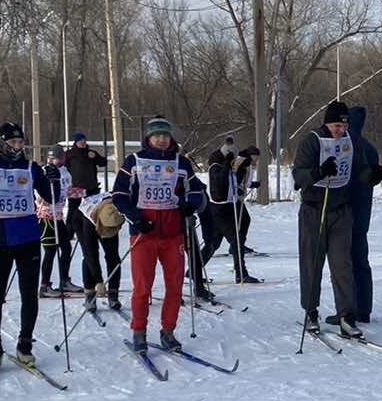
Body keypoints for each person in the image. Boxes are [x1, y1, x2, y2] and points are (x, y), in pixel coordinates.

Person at [111, 116, 204, 354]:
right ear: (148, 138)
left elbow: (195, 191)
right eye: (157, 135)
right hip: (145, 235)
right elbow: (119, 195)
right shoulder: (135, 161)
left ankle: (168, 331)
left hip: (173, 235)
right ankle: (139, 331)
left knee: (174, 287)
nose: (162, 139)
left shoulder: (181, 162)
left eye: (165, 135)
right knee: (143, 287)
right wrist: (136, 217)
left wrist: (189, 204)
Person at [0, 122, 54, 370]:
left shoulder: (30, 167)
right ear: (2, 143)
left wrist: (53, 180)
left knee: (29, 294)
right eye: (13, 143)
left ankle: (25, 344)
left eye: (20, 143)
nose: (17, 147)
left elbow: (51, 196)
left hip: (28, 240)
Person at [292, 100, 362, 337]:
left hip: (341, 210)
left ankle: (347, 315)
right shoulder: (312, 141)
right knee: (312, 264)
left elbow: (357, 168)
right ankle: (311, 311)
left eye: (343, 126)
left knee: (342, 264)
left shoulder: (349, 141)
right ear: (326, 123)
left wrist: (372, 174)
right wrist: (318, 172)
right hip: (314, 209)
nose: (340, 130)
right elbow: (298, 174)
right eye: (335, 126)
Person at [345, 105, 382, 323]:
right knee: (361, 259)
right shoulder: (370, 148)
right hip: (364, 210)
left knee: (345, 261)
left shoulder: (345, 145)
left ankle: (349, 309)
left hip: (345, 209)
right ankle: (364, 309)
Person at [201, 136, 253, 289]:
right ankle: (241, 273)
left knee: (213, 244)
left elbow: (234, 183)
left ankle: (193, 271)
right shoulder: (215, 166)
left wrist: (242, 167)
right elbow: (219, 187)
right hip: (219, 208)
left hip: (229, 206)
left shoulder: (228, 166)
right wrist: (227, 166)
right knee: (235, 241)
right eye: (232, 158)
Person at [74, 187, 125, 314]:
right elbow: (91, 255)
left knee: (113, 256)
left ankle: (113, 293)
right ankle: (90, 294)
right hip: (83, 220)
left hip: (106, 218)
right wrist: (99, 282)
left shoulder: (115, 208)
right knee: (89, 256)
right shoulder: (88, 221)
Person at [37, 145, 75, 296]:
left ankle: (64, 280)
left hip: (59, 216)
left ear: (63, 159)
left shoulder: (65, 172)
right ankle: (44, 285)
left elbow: (69, 191)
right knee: (50, 251)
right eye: (50, 158)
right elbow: (39, 193)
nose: (53, 161)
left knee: (66, 248)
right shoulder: (45, 172)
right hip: (46, 216)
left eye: (56, 158)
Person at [63, 131, 106, 239]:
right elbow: (63, 167)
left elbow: (103, 162)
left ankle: (94, 231)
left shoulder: (91, 152)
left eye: (84, 140)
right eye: (80, 140)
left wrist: (95, 157)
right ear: (76, 142)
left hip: (91, 186)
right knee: (73, 210)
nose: (82, 142)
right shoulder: (70, 154)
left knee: (93, 210)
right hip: (75, 187)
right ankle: (69, 233)